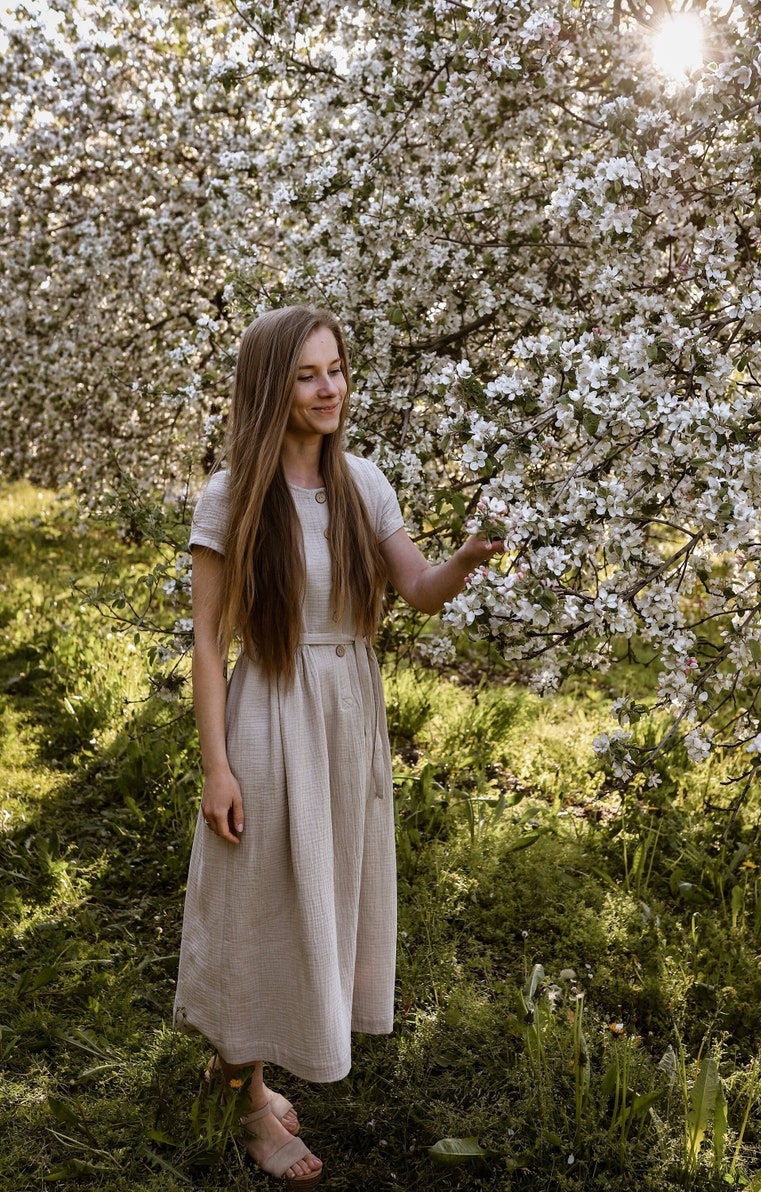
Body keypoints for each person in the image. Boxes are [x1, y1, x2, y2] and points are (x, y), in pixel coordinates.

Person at [173, 305, 503, 1186]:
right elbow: (207, 641)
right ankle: (248, 1103)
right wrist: (217, 767)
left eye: (338, 371)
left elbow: (420, 591)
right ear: (273, 387)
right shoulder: (233, 496)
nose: (330, 389)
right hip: (270, 709)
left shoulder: (365, 483)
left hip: (348, 711)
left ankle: (243, 1066)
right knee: (260, 903)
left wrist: (467, 557)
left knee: (320, 888)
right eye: (310, 374)